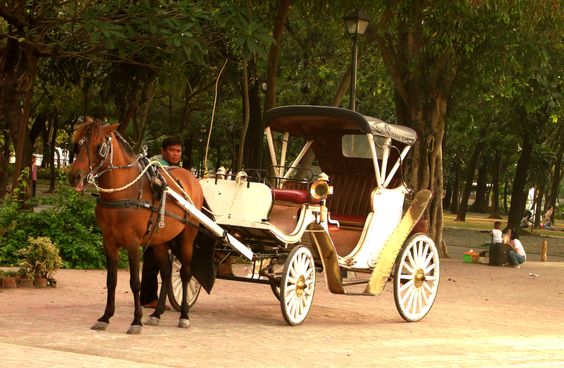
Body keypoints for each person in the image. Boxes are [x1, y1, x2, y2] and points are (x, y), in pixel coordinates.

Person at [140, 136, 183, 308]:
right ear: (163, 151)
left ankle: (148, 297)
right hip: (158, 219)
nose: (175, 153)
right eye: (172, 150)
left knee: (153, 259)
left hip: (168, 218)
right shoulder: (155, 167)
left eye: (178, 151)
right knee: (152, 258)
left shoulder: (177, 169)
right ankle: (149, 298)